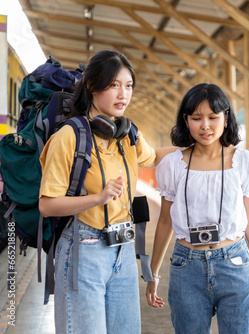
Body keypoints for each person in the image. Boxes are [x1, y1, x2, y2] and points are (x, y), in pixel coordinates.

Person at [38, 50, 175, 334]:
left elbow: (153, 157)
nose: (123, 94)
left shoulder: (128, 135)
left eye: (128, 86)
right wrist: (98, 198)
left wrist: (201, 145)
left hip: (123, 251)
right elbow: (47, 205)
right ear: (91, 86)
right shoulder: (68, 137)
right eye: (114, 85)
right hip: (83, 249)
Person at [146, 83, 249, 333]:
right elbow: (164, 221)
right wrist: (153, 273)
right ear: (186, 120)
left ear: (226, 118)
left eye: (213, 117)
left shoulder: (243, 161)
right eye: (196, 118)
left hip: (234, 263)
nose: (205, 126)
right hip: (186, 267)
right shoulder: (173, 165)